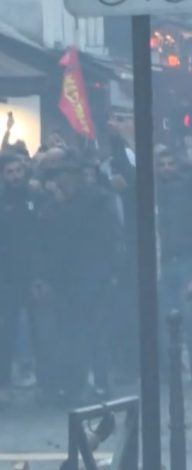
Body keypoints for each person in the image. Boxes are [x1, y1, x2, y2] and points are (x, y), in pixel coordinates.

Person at [36, 158, 120, 404]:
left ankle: (100, 383)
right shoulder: (52, 206)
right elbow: (46, 243)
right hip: (65, 280)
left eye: (64, 175)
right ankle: (74, 384)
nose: (61, 181)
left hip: (94, 276)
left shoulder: (98, 200)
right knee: (70, 334)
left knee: (95, 332)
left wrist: (112, 270)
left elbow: (109, 237)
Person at [156, 148, 192, 379]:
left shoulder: (187, 188)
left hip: (186, 260)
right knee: (165, 319)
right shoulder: (155, 192)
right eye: (162, 164)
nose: (166, 168)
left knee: (191, 317)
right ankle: (171, 369)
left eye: (170, 163)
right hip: (164, 262)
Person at [0, 154, 39, 406]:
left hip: (34, 276)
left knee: (41, 330)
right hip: (7, 277)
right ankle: (3, 384)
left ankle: (45, 383)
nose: (15, 176)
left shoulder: (34, 197)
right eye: (10, 172)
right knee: (6, 332)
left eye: (18, 171)